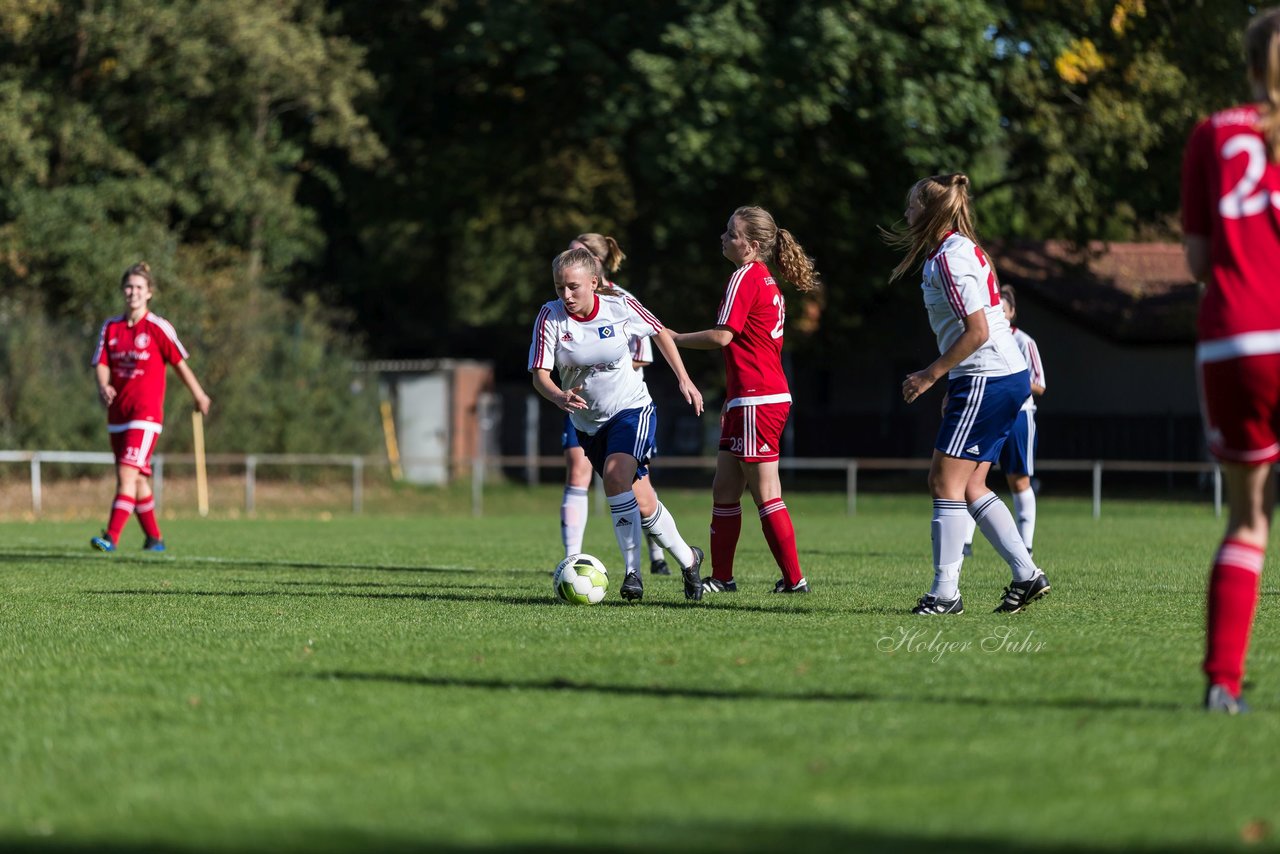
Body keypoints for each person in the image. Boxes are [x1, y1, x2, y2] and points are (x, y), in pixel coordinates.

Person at [885, 174, 1050, 615]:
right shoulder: (954, 250)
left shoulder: (950, 259)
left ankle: (945, 594)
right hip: (992, 377)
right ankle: (1027, 574)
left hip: (988, 376)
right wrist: (955, 380)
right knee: (972, 484)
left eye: (912, 206)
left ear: (932, 210)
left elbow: (977, 331)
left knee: (944, 482)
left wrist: (931, 375)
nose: (906, 213)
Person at [1181, 7, 1280, 713]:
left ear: (1248, 65)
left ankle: (1222, 683)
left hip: (1238, 337)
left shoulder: (1213, 132)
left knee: (1248, 518)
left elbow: (1195, 260)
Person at [530, 247, 705, 601]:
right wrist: (558, 396)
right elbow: (540, 375)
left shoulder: (620, 305)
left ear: (594, 282)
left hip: (632, 409)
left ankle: (632, 573)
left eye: (574, 287)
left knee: (615, 475)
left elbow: (659, 332)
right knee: (642, 502)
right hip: (587, 424)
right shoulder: (550, 317)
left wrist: (683, 378)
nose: (566, 295)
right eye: (559, 287)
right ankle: (689, 559)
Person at [669, 206, 817, 594]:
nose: (723, 237)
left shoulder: (745, 277)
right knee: (724, 489)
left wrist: (675, 338)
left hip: (758, 397)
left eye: (730, 233)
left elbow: (723, 336)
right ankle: (723, 577)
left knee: (766, 491)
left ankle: (794, 580)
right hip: (747, 399)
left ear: (750, 246)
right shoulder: (762, 278)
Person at [558, 233, 672, 576]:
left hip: (623, 407)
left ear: (595, 263)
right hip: (579, 405)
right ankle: (571, 559)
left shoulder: (621, 300)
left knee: (638, 485)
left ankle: (657, 554)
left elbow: (643, 356)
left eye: (576, 254)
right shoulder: (565, 302)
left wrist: (598, 364)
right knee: (577, 471)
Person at [90, 262, 212, 552]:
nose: (133, 292)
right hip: (118, 414)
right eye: (129, 287)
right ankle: (154, 539)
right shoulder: (111, 327)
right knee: (139, 479)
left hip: (145, 415)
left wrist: (199, 394)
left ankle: (111, 538)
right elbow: (101, 362)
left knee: (126, 475)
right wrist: (103, 385)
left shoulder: (158, 327)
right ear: (123, 291)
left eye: (139, 288)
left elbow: (179, 363)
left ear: (149, 294)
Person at [961, 284, 1046, 556]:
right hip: (987, 413)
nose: (999, 312)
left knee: (1018, 480)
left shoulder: (1024, 342)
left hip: (1019, 415)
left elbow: (1039, 385)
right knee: (967, 476)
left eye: (1003, 308)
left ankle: (1026, 545)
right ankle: (964, 543)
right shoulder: (981, 337)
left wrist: (1009, 381)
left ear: (1011, 312)